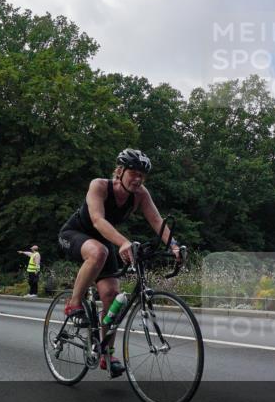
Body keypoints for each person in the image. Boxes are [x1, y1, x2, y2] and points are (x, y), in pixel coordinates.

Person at [58, 149, 182, 378]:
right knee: (99, 251)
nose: (137, 179)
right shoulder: (99, 186)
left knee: (112, 295)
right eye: (133, 173)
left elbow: (157, 221)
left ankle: (106, 353)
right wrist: (124, 242)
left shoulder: (140, 195)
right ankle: (73, 302)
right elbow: (97, 220)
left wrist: (174, 245)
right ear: (120, 171)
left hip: (105, 242)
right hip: (75, 234)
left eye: (142, 176)